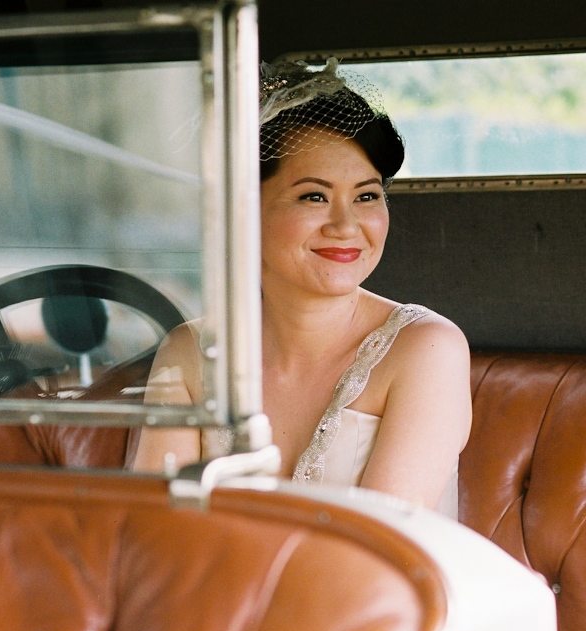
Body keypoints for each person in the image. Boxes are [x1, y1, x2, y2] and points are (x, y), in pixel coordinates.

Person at [132, 58, 472, 518]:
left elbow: (374, 552)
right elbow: (158, 529)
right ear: (242, 212)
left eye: (367, 196)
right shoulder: (190, 351)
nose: (346, 225)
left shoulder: (427, 349)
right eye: (314, 196)